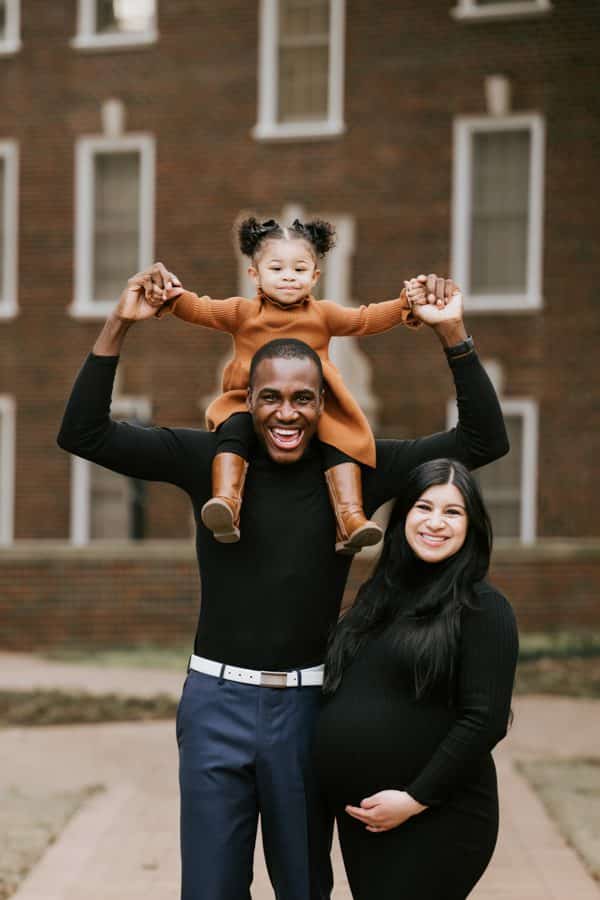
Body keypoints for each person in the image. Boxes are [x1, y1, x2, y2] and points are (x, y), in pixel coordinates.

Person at [57, 262, 508, 900]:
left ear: (325, 403)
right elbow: (83, 433)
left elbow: (484, 440)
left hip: (307, 711)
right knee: (210, 889)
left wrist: (453, 336)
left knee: (303, 886)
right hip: (215, 703)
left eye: (304, 398)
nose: (286, 413)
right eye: (271, 397)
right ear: (248, 398)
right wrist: (118, 324)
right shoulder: (208, 461)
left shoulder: (360, 467)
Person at [152, 217, 454, 553]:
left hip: (312, 405)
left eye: (299, 270)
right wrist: (171, 296)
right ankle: (226, 502)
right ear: (255, 275)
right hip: (248, 402)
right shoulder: (242, 312)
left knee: (340, 441)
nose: (288, 277)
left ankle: (350, 518)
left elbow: (365, 318)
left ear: (314, 277)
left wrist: (404, 305)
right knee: (233, 430)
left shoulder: (322, 314)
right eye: (277, 268)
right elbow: (200, 308)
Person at [314, 459, 519, 900]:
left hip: (438, 818)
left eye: (453, 512)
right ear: (403, 515)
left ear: (472, 526)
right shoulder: (378, 597)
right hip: (368, 823)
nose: (435, 522)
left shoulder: (484, 607)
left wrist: (413, 800)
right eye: (424, 507)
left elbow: (484, 720)